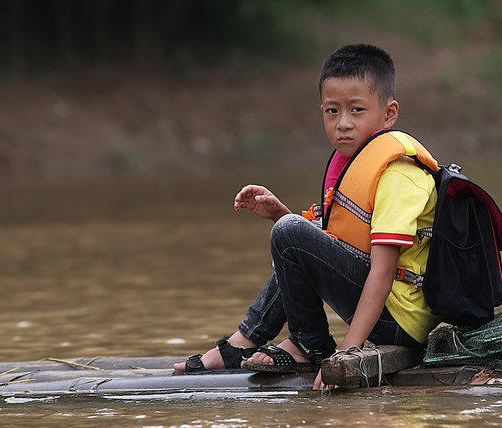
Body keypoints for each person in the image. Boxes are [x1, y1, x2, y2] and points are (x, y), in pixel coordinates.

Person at [173, 44, 443, 390]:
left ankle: (307, 344)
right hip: (385, 309)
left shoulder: (397, 175)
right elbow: (329, 249)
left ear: (389, 113)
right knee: (290, 231)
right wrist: (281, 216)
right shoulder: (354, 164)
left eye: (356, 110)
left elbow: (384, 270)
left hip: (399, 322)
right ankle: (250, 339)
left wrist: (346, 353)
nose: (343, 123)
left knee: (291, 232)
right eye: (332, 111)